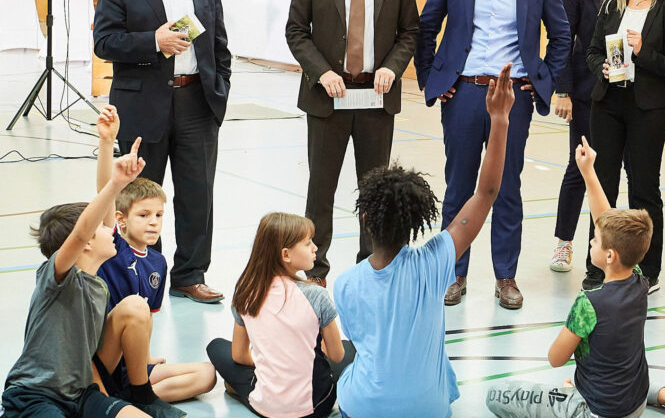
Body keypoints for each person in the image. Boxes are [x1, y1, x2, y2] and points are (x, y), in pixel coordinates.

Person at [485, 137, 665, 418]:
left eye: (594, 241)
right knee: (619, 368)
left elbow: (555, 358)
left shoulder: (588, 303)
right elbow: (606, 221)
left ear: (609, 256)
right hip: (634, 404)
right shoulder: (640, 280)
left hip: (596, 411)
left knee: (497, 395)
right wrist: (588, 171)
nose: (592, 242)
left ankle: (580, 396)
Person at [414, 0, 570, 309]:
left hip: (513, 95)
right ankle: (454, 273)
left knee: (506, 187)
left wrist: (541, 83)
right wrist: (433, 78)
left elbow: (561, 36)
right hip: (464, 91)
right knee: (459, 186)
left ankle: (506, 277)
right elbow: (426, 27)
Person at [333, 64, 515, 418]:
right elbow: (486, 192)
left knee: (345, 361)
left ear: (365, 219)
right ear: (414, 224)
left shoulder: (346, 285)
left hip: (365, 408)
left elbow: (362, 344)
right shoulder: (435, 261)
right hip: (429, 408)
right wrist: (500, 119)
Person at [93, 0, 232, 304]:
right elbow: (104, 41)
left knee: (197, 193)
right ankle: (137, 271)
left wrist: (220, 85)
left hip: (197, 101)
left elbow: (219, 41)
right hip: (142, 104)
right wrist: (153, 41)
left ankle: (190, 274)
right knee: (139, 194)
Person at [285, 0, 419, 286]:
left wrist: (393, 68)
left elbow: (409, 31)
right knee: (320, 188)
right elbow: (296, 30)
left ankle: (370, 266)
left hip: (376, 98)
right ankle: (316, 267)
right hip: (328, 96)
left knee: (375, 190)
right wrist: (321, 71)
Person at [1, 125, 180, 418]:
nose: (111, 230)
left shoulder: (99, 284)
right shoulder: (57, 277)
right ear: (84, 245)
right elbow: (84, 229)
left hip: (82, 393)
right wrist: (116, 184)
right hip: (36, 395)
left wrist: (108, 141)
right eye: (102, 227)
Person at [583, 0, 665, 293]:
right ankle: (598, 265)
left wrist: (642, 51)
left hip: (647, 108)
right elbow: (593, 51)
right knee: (602, 185)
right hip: (608, 103)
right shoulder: (613, 3)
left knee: (644, 189)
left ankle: (647, 268)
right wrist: (602, 70)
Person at [94, 109, 216, 404]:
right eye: (144, 215)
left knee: (208, 374)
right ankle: (130, 396)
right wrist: (107, 142)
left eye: (159, 215)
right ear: (122, 220)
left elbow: (147, 318)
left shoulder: (159, 263)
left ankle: (134, 399)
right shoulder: (112, 246)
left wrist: (145, 358)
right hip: (105, 360)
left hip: (132, 365)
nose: (153, 222)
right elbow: (104, 194)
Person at [550, 0, 637, 274]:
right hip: (588, 92)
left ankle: (606, 249)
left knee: (615, 172)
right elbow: (563, 39)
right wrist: (563, 91)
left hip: (628, 92)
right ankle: (564, 242)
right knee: (579, 167)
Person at [206, 212, 353, 418]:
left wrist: (274, 364)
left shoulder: (246, 292)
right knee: (350, 350)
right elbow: (337, 355)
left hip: (265, 407)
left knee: (216, 346)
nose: (315, 248)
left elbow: (238, 355)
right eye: (308, 242)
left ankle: (239, 388)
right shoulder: (316, 295)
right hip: (315, 405)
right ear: (286, 254)